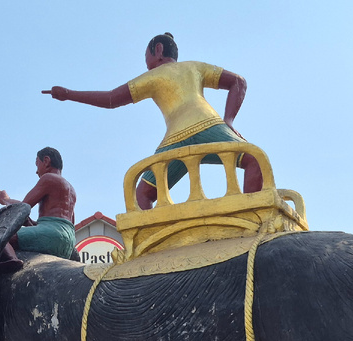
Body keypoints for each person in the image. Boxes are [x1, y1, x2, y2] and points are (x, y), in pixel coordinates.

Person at [43, 33, 263, 209]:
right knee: (254, 159)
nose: (146, 63)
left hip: (176, 139)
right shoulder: (194, 66)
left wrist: (69, 94)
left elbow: (111, 99)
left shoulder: (152, 76)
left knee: (143, 194)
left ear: (158, 50)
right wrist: (228, 121)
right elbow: (238, 82)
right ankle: (252, 217)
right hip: (209, 125)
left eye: (145, 56)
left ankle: (156, 243)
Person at [0, 147, 78, 271]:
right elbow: (67, 222)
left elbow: (23, 207)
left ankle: (12, 260)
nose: (36, 171)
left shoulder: (49, 178)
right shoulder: (72, 190)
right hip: (68, 241)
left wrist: (5, 199)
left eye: (37, 164)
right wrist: (32, 223)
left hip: (52, 234)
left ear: (46, 161)